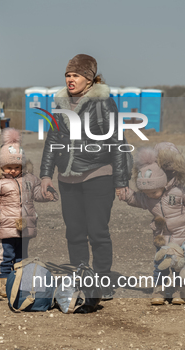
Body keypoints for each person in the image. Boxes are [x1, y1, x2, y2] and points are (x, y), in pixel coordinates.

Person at [39, 54, 130, 300]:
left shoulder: (104, 103)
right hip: (67, 180)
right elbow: (52, 141)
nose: (70, 80)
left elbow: (118, 142)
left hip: (97, 176)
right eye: (68, 75)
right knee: (74, 232)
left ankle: (102, 281)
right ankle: (81, 279)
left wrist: (121, 181)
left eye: (76, 75)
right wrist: (46, 175)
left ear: (89, 79)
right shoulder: (60, 104)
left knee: (98, 232)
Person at [121, 144, 185, 305]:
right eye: (146, 193)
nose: (150, 196)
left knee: (179, 266)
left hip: (182, 235)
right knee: (160, 264)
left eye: (152, 193)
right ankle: (158, 290)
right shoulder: (150, 193)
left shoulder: (182, 189)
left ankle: (179, 290)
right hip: (161, 237)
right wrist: (127, 195)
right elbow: (137, 199)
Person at [0, 128, 57, 298]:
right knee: (6, 256)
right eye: (9, 167)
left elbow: (35, 194)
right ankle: (5, 285)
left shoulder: (29, 179)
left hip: (25, 226)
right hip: (5, 227)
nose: (13, 170)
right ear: (2, 165)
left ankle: (19, 282)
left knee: (22, 257)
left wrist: (46, 194)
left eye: (16, 167)